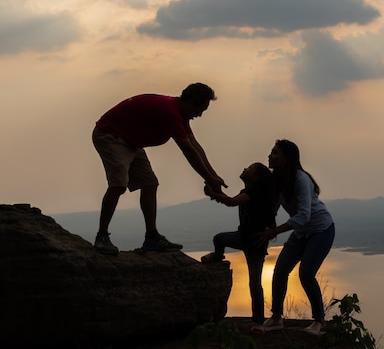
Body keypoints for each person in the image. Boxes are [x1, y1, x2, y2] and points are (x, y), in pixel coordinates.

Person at [92, 83, 227, 255]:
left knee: (149, 184)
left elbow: (196, 146)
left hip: (131, 142)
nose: (199, 115)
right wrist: (209, 178)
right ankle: (101, 237)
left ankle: (152, 237)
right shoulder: (170, 112)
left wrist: (213, 176)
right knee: (118, 184)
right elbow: (188, 151)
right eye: (200, 109)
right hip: (110, 135)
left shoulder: (180, 114)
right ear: (191, 102)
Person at [256, 139, 335, 336]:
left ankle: (319, 321)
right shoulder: (277, 180)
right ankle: (276, 318)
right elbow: (272, 206)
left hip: (321, 229)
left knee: (306, 274)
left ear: (286, 159)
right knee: (280, 269)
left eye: (275, 153)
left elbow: (303, 215)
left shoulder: (300, 179)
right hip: (301, 232)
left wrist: (274, 232)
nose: (270, 156)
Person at [202, 162, 276, 333]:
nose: (244, 168)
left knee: (255, 284)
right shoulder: (247, 192)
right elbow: (229, 199)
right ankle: (217, 255)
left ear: (256, 177)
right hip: (243, 238)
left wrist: (213, 193)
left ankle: (258, 322)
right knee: (219, 239)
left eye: (249, 168)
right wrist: (214, 191)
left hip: (255, 244)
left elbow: (231, 202)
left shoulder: (255, 192)